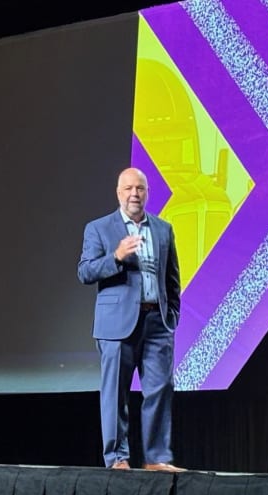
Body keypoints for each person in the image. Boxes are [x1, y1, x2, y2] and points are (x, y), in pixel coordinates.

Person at [78, 168, 183, 471]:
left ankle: (157, 459)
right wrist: (116, 257)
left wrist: (171, 316)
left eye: (140, 188)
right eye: (128, 189)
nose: (134, 194)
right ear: (118, 192)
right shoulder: (99, 228)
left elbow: (172, 280)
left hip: (156, 324)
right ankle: (117, 458)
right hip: (116, 326)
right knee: (115, 394)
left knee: (160, 390)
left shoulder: (163, 229)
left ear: (147, 193)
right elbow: (84, 272)